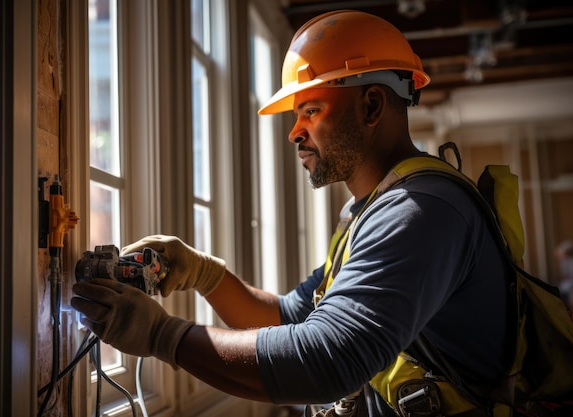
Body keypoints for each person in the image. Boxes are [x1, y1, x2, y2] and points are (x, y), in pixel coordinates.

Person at [71, 10, 513, 417]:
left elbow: (327, 360)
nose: (294, 132)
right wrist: (205, 274)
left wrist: (162, 337)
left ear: (372, 105)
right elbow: (289, 318)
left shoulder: (419, 212)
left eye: (311, 110)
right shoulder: (369, 212)